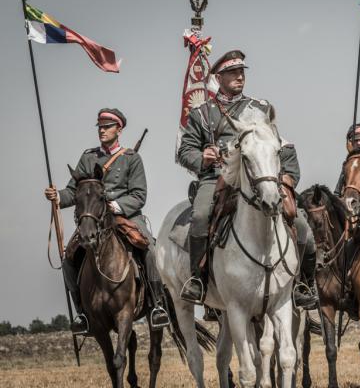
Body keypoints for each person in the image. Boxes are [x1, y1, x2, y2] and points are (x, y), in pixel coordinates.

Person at [177, 50, 317, 308]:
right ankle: (198, 280)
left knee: (300, 223)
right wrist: (202, 157)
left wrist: (286, 177)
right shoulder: (202, 114)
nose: (240, 76)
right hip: (217, 178)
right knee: (199, 217)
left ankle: (302, 284)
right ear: (218, 78)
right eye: (233, 72)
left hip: (256, 177)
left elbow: (277, 142)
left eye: (242, 72)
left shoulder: (259, 108)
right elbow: (184, 151)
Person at [44, 108, 170, 334]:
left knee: (150, 250)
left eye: (106, 127)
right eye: (100, 127)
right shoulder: (88, 157)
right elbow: (74, 192)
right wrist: (58, 196)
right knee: (68, 259)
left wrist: (116, 205)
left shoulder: (132, 158)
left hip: (126, 217)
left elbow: (139, 195)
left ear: (118, 129)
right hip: (95, 220)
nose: (102, 130)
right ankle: (83, 313)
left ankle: (157, 306)